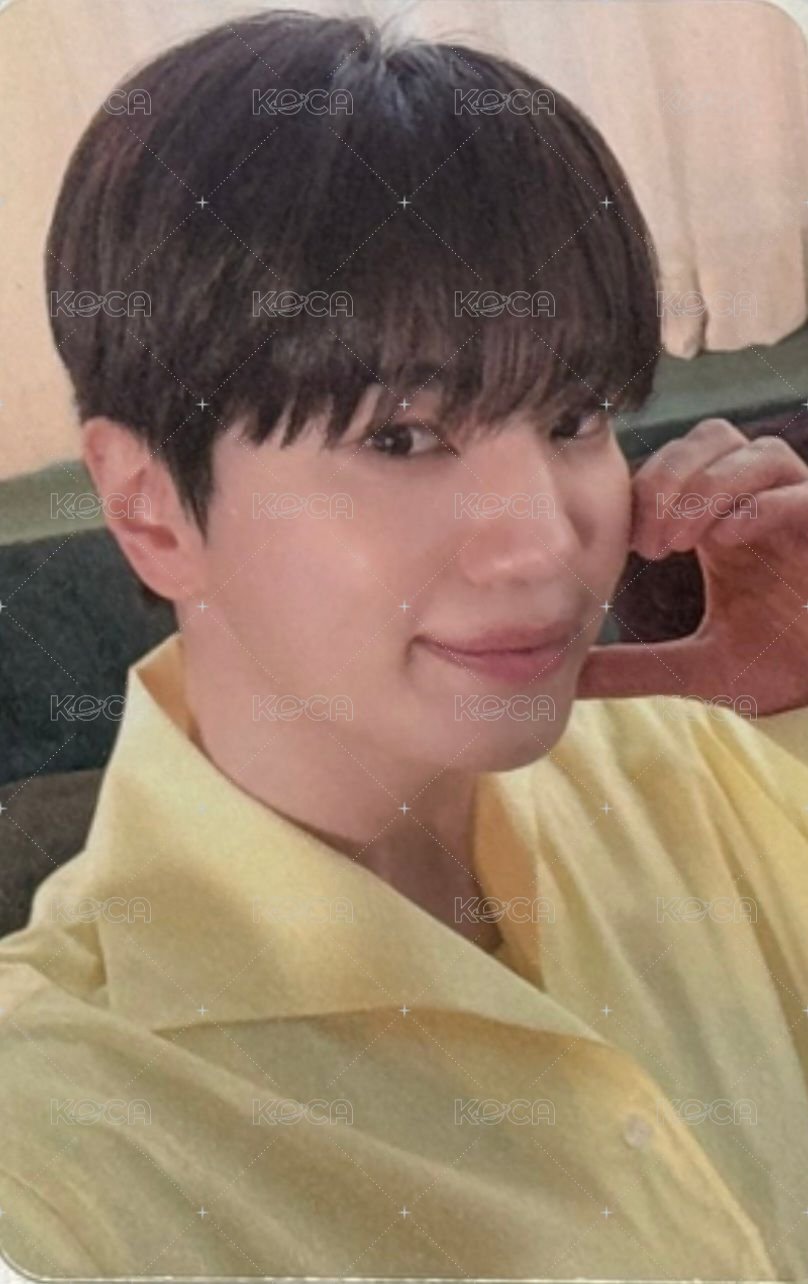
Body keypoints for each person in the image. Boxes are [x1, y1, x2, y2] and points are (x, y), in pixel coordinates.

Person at [1, 8, 808, 1279]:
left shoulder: (699, 769)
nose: (543, 543)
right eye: (400, 438)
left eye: (575, 415)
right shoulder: (59, 1127)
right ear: (151, 508)